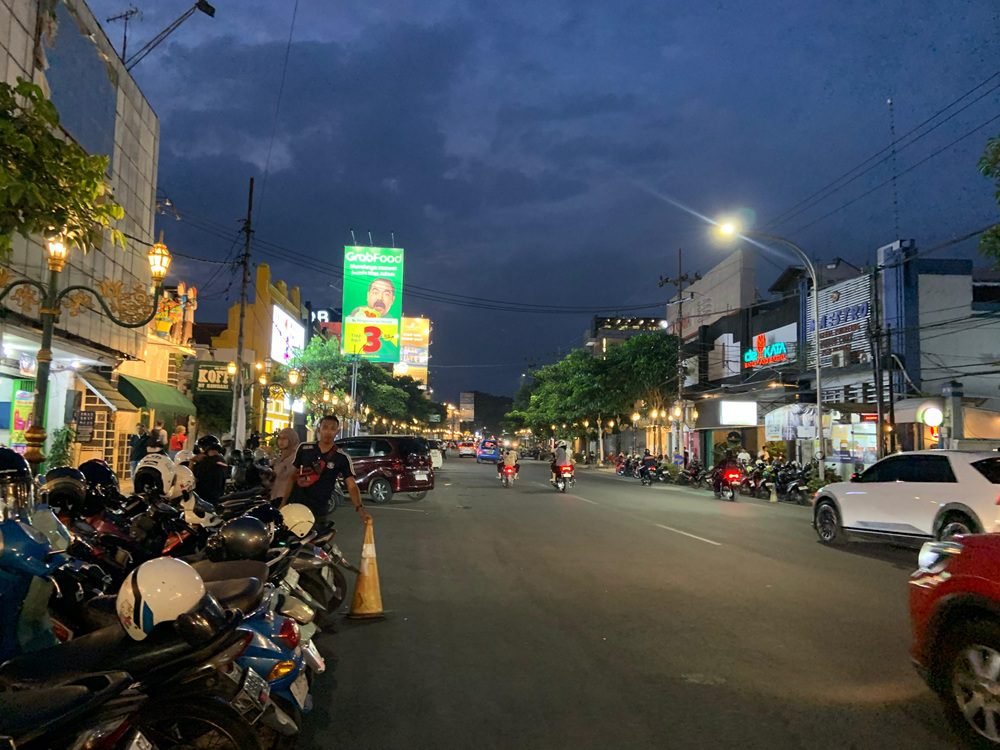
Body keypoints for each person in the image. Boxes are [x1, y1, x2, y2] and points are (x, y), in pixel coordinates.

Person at [278, 414, 371, 524]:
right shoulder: (304, 448)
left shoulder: (341, 457)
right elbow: (292, 477)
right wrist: (283, 502)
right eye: (325, 427)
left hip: (318, 510)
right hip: (296, 505)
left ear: (337, 431)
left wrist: (360, 508)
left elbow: (351, 485)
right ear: (319, 429)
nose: (328, 432)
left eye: (332, 429)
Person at [192, 435, 229, 503]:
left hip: (204, 500)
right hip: (218, 497)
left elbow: (192, 479)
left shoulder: (205, 463)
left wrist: (192, 462)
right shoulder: (222, 460)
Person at [269, 427, 301, 503]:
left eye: (284, 438)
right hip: (275, 495)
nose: (281, 441)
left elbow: (288, 476)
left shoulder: (295, 457)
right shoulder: (281, 456)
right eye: (279, 438)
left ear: (292, 440)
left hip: (287, 498)